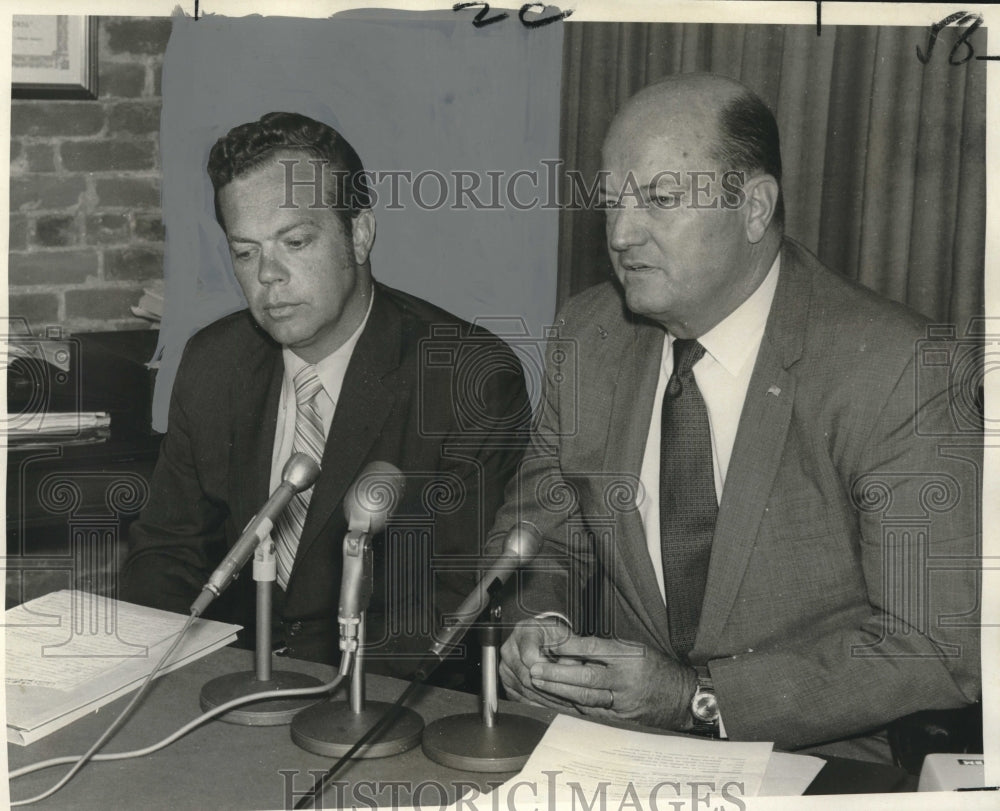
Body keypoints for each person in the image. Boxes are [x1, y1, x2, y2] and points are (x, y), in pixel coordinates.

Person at [494, 74, 981, 762]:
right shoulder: (587, 335)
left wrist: (698, 698)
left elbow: (936, 644)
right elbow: (542, 538)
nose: (622, 233)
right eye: (611, 202)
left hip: (814, 761)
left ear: (754, 207)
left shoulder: (898, 367)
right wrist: (537, 624)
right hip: (609, 749)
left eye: (659, 199)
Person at [120, 112, 530, 683]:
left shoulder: (467, 376)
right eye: (245, 251)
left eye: (295, 241)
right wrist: (165, 679)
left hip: (382, 698)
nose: (268, 274)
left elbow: (453, 603)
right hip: (229, 682)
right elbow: (165, 555)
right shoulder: (213, 361)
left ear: (359, 234)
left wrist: (317, 698)